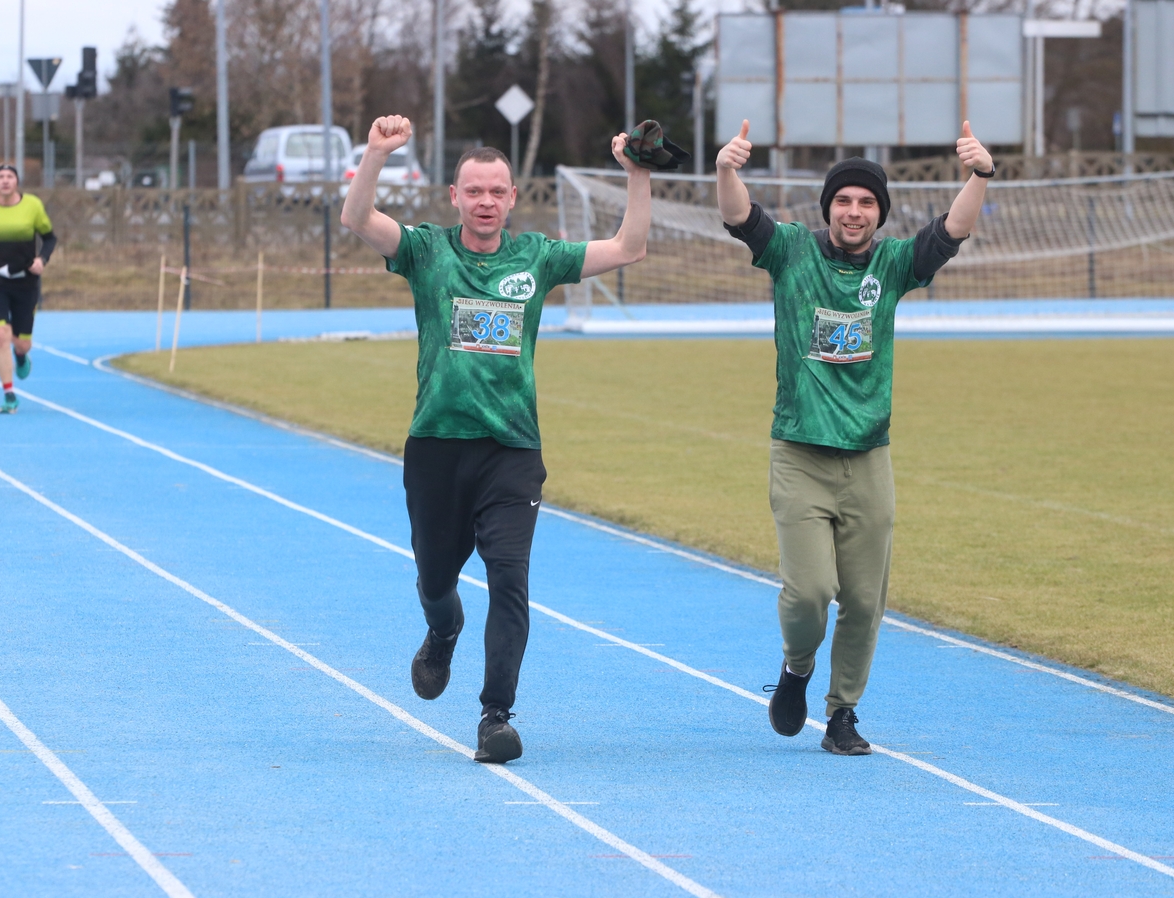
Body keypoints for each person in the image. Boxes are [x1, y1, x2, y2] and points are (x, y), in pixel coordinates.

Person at [341, 115, 651, 763]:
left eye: (497, 191)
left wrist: (638, 174)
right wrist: (374, 153)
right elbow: (357, 217)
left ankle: (496, 717)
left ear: (512, 199)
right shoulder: (426, 251)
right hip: (436, 448)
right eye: (474, 191)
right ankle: (442, 629)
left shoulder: (537, 257)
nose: (485, 201)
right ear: (455, 197)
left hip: (512, 451)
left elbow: (628, 247)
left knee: (510, 578)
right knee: (435, 580)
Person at [716, 120, 995, 755]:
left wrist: (981, 174)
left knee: (865, 601)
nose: (854, 211)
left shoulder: (894, 265)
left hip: (869, 459)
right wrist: (727, 170)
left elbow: (951, 232)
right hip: (800, 452)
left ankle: (842, 713)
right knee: (810, 592)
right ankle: (796, 669)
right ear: (828, 208)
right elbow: (739, 217)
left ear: (879, 213)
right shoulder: (792, 251)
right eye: (843, 200)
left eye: (867, 202)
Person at [0, 164, 56, 414]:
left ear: (17, 182)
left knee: (22, 343)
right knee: (1, 335)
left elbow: (50, 238)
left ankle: (21, 356)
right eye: (0, 177)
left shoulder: (32, 205)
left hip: (26, 281)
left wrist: (42, 260)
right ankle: (9, 394)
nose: (5, 181)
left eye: (10, 177)